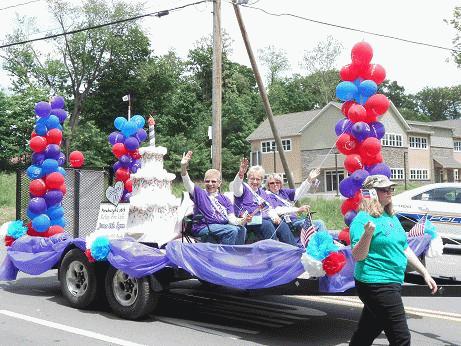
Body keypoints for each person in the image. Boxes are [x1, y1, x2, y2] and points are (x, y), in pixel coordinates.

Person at [349, 174, 437, 346]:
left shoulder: (390, 217)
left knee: (367, 332)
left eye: (391, 189)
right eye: (384, 189)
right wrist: (367, 235)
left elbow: (404, 247)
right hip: (375, 283)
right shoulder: (362, 220)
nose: (389, 192)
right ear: (371, 193)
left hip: (392, 281)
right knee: (401, 338)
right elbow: (358, 256)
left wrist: (424, 272)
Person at [180, 151, 247, 245]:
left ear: (219, 183)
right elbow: (187, 182)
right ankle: (224, 257)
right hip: (203, 227)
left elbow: (231, 219)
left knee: (241, 229)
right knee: (231, 230)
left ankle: (236, 255)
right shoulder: (200, 193)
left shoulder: (225, 199)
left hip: (221, 226)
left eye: (213, 181)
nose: (210, 184)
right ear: (204, 182)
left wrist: (243, 220)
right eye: (207, 181)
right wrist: (183, 167)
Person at [232, 158, 298, 246]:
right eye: (252, 179)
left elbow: (269, 208)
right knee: (267, 225)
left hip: (261, 219)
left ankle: (294, 250)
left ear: (262, 180)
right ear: (247, 178)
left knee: (281, 224)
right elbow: (236, 187)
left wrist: (275, 218)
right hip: (246, 220)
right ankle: (272, 251)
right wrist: (240, 174)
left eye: (258, 179)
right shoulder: (243, 188)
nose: (255, 182)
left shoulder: (263, 193)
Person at [265, 171, 328, 235]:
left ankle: (324, 242)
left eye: (277, 182)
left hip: (296, 220)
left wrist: (309, 180)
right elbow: (278, 210)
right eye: (272, 183)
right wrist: (298, 209)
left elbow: (299, 192)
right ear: (268, 185)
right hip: (289, 224)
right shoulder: (267, 195)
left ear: (281, 183)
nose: (275, 184)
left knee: (317, 225)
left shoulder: (283, 192)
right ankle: (326, 243)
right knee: (319, 223)